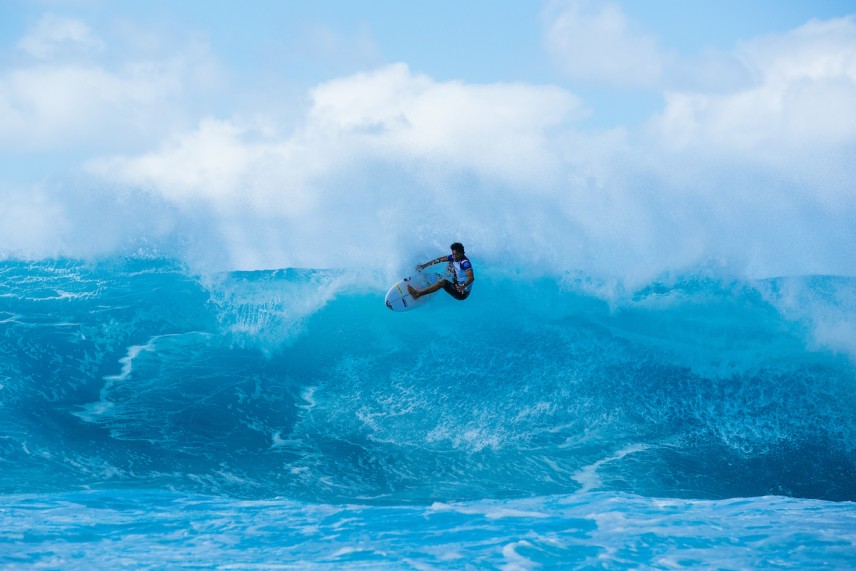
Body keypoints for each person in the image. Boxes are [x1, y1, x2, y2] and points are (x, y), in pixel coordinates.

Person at [408, 242, 474, 301]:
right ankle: (436, 282)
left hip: (462, 292)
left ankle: (418, 294)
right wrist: (424, 266)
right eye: (453, 254)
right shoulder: (453, 258)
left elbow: (471, 278)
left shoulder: (465, 263)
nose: (454, 257)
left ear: (462, 253)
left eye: (456, 254)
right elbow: (439, 260)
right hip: (457, 283)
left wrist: (463, 286)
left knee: (443, 282)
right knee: (450, 264)